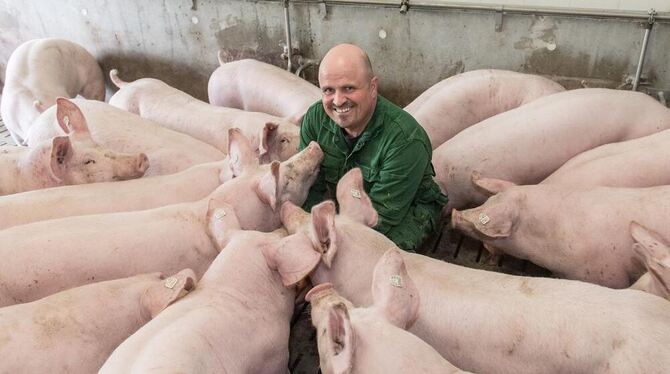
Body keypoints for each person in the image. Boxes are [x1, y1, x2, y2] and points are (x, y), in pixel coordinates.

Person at [299, 43, 448, 251]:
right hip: (348, 209)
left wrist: (329, 239)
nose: (338, 100)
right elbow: (308, 184)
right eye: (328, 90)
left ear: (373, 87)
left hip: (403, 214)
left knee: (373, 255)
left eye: (349, 88)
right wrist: (311, 228)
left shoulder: (405, 140)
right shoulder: (316, 119)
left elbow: (382, 217)